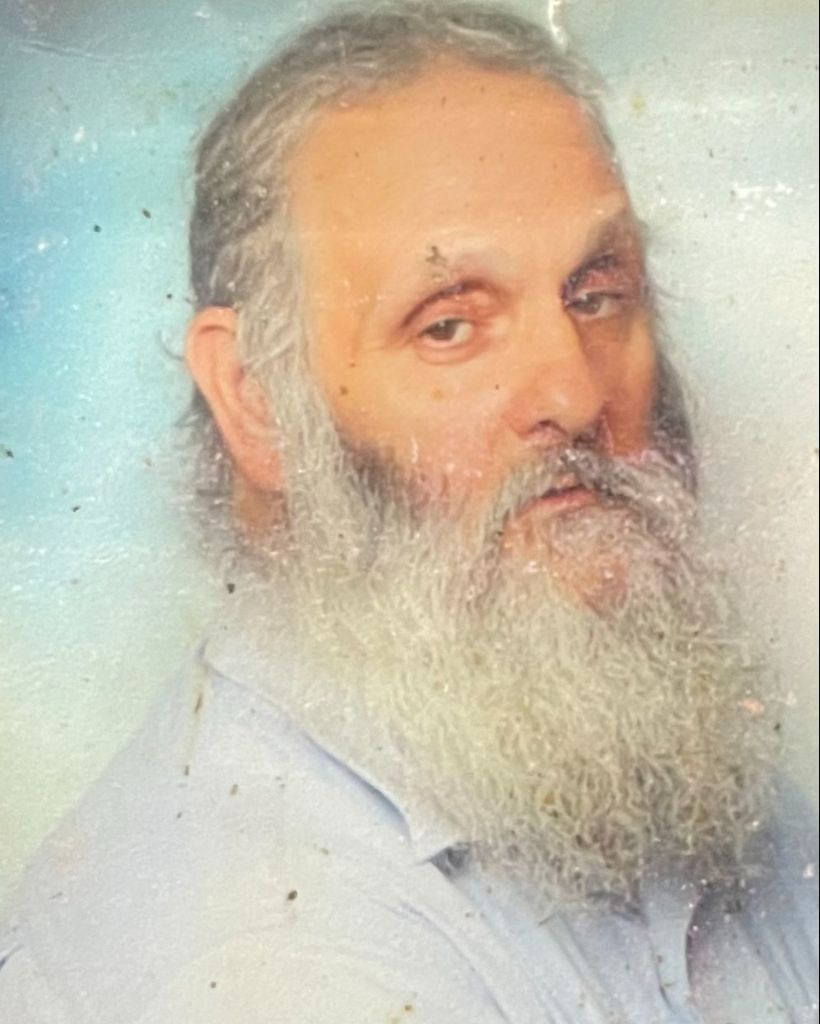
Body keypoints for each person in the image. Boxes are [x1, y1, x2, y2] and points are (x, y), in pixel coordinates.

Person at [1, 3, 816, 1021]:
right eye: (450, 326)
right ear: (257, 398)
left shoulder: (664, 750)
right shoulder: (250, 949)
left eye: (597, 294)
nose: (573, 392)